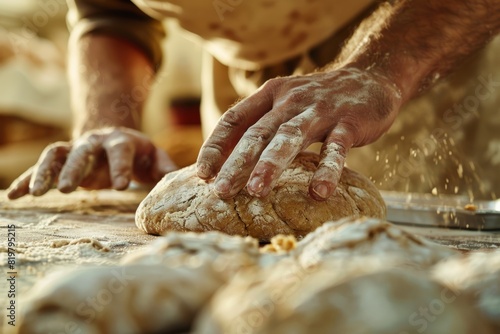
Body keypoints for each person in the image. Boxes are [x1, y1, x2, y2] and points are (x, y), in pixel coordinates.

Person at [7, 0, 500, 201]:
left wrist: (377, 72)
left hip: (416, 52)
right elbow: (112, 14)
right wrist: (107, 120)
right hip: (247, 82)